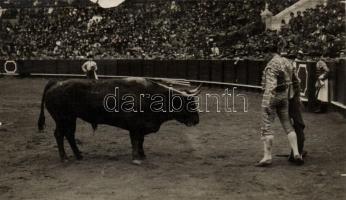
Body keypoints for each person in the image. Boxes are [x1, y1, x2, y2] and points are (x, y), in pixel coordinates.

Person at [256, 38, 304, 167]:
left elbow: (271, 86)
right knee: (288, 125)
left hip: (273, 97)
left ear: (269, 53)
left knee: (267, 126)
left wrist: (266, 103)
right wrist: (296, 96)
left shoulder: (271, 65)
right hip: (285, 97)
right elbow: (296, 81)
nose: (263, 57)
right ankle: (296, 153)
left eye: (264, 54)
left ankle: (267, 157)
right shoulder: (287, 62)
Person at [287, 50, 307, 162]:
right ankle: (297, 152)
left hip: (289, 101)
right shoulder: (290, 69)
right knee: (298, 125)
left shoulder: (286, 68)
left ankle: (297, 151)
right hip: (291, 101)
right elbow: (296, 86)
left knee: (296, 126)